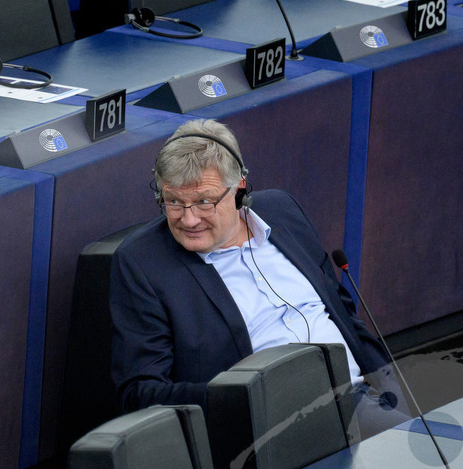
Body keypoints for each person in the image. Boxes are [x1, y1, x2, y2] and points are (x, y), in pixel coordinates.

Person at [110, 118, 391, 412]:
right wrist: (246, 397)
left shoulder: (283, 211)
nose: (188, 219)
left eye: (205, 202)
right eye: (173, 202)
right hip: (275, 428)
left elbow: (343, 315)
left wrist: (394, 387)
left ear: (239, 189)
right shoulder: (143, 263)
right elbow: (140, 393)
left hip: (364, 397)